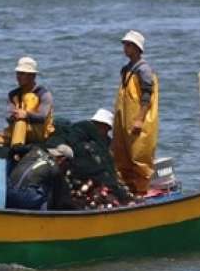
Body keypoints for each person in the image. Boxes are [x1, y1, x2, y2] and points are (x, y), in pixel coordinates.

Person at [44, 108, 135, 205]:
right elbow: (104, 167)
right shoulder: (89, 143)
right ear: (103, 126)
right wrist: (121, 192)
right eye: (107, 130)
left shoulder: (79, 133)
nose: (107, 133)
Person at [112, 31, 158, 195]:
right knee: (121, 155)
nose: (125, 48)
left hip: (137, 120)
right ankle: (127, 191)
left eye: (129, 45)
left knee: (138, 157)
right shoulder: (126, 70)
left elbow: (147, 95)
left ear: (137, 48)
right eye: (125, 44)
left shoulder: (143, 70)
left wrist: (139, 119)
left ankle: (141, 192)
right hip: (124, 120)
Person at [0, 56, 54, 148]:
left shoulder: (44, 94)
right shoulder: (13, 94)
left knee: (21, 120)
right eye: (18, 73)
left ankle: (16, 150)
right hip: (16, 130)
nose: (19, 77)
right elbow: (8, 117)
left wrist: (26, 115)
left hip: (38, 132)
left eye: (23, 73)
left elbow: (42, 117)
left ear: (32, 76)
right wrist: (13, 116)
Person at [5, 143, 73, 210]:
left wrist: (13, 162)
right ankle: (42, 217)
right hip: (25, 200)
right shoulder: (56, 170)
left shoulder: (35, 149)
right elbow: (59, 198)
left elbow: (15, 147)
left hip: (7, 193)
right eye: (68, 164)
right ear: (63, 159)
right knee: (50, 188)